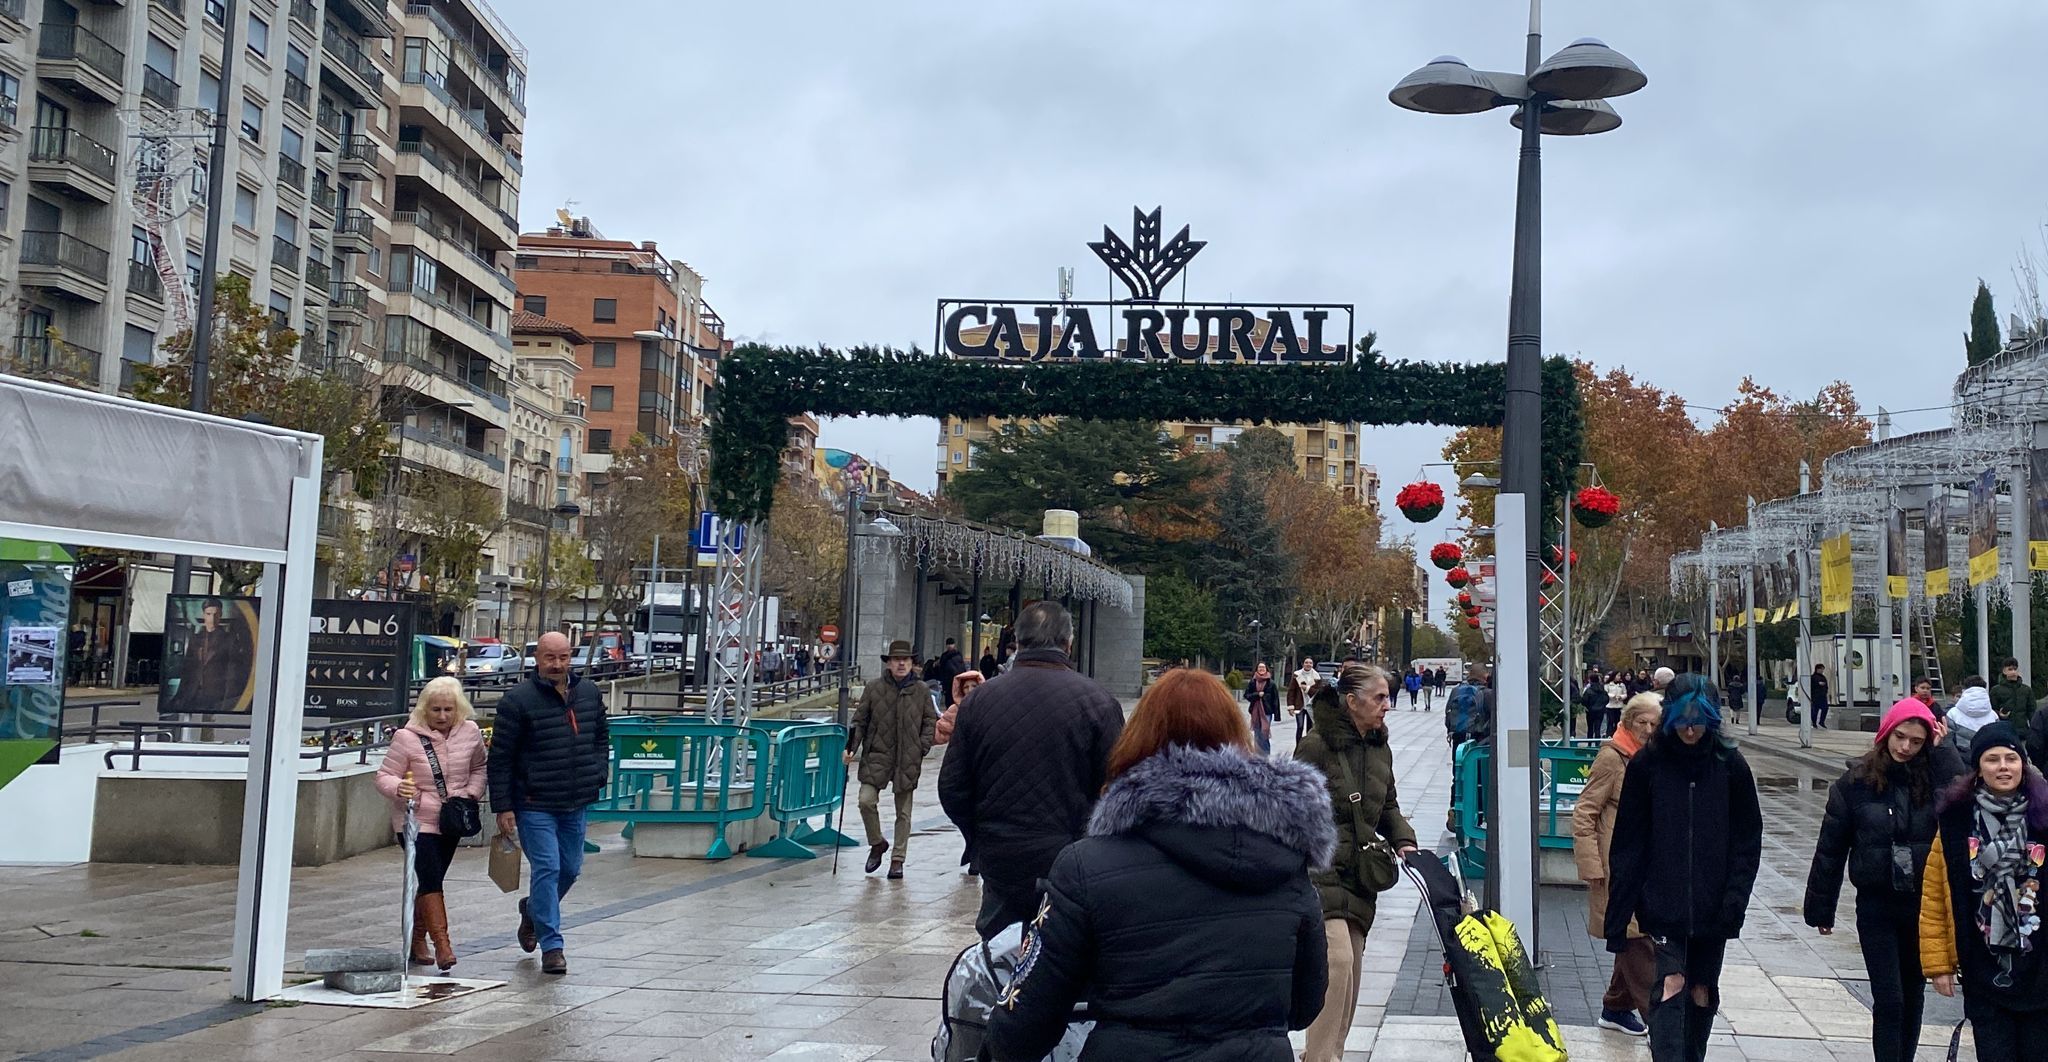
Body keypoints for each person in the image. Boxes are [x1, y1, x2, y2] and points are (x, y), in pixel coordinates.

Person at [983, 669, 1331, 1061]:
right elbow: (1304, 1003)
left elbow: (1030, 1014)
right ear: (1237, 741)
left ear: (1138, 740)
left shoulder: (1086, 866)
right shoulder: (1286, 864)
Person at [939, 601, 1124, 938]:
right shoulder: (1099, 702)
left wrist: (979, 837)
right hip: (1070, 856)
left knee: (1000, 956)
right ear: (1068, 643)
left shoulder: (980, 701)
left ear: (1018, 643)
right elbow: (1117, 789)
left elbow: (952, 786)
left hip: (1000, 855)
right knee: (1064, 956)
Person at [1605, 674, 1763, 1061]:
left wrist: (1734, 901)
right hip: (1662, 904)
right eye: (1682, 719)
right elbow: (1628, 842)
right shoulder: (1647, 765)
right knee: (1671, 983)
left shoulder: (1731, 766)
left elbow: (1747, 840)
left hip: (1714, 906)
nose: (1690, 729)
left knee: (1701, 989)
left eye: (1698, 720)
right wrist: (1620, 916)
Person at [1804, 699, 1942, 1062]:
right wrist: (1821, 908)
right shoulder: (1856, 782)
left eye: (1916, 741)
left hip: (1921, 905)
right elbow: (1831, 847)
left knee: (1913, 994)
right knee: (1890, 998)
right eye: (1900, 737)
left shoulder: (1934, 779)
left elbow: (1963, 791)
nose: (1905, 747)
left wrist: (1946, 752)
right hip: (1876, 904)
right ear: (1886, 734)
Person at [1291, 664, 1416, 1062]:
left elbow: (1388, 806)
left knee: (1352, 978)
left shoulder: (1380, 746)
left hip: (1360, 875)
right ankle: (1319, 1058)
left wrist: (1404, 840)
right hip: (1321, 870)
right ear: (1351, 701)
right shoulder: (1316, 746)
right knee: (1338, 963)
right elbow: (1293, 810)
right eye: (1379, 697)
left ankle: (1332, 1055)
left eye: (1388, 696)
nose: (1387, 705)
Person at [1918, 721, 2048, 1060]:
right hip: (1984, 970)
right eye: (1993, 759)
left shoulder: (2043, 818)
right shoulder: (1955, 822)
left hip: (2041, 973)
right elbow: (1934, 897)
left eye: (2011, 758)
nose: (2003, 767)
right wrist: (1939, 965)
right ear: (1978, 769)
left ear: (2023, 764)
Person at [489, 631, 610, 976]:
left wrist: (598, 771)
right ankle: (552, 947)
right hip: (534, 801)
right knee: (548, 868)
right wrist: (503, 806)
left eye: (563, 657)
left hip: (576, 798)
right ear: (537, 659)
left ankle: (533, 911)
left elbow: (601, 736)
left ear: (571, 656)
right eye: (549, 658)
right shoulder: (517, 701)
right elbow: (501, 757)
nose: (556, 665)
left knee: (570, 868)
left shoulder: (588, 693)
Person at [374, 676, 486, 972]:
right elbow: (383, 776)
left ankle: (416, 940)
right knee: (431, 877)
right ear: (425, 709)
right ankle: (443, 945)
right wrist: (400, 787)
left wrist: (471, 793)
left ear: (458, 708)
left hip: (451, 820)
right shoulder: (406, 737)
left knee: (429, 881)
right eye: (436, 710)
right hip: (414, 821)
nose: (442, 716)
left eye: (448, 709)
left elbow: (479, 767)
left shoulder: (470, 732)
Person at [1573, 694, 1663, 1037]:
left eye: (1654, 724)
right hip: (1615, 866)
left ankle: (1615, 1007)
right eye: (1642, 722)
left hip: (1642, 864)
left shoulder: (1651, 758)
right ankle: (1659, 1019)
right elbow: (1585, 811)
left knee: (1630, 934)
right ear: (1627, 721)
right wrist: (1591, 864)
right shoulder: (1612, 758)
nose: (1648, 729)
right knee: (1636, 939)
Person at [846, 639, 938, 880]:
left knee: (904, 813)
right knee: (866, 800)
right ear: (888, 663)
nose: (900, 664)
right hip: (878, 754)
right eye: (896, 660)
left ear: (911, 663)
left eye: (905, 660)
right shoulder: (874, 688)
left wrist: (922, 746)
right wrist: (851, 747)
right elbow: (859, 721)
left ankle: (898, 859)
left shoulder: (921, 691)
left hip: (907, 756)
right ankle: (877, 843)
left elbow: (930, 721)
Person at [164, 597, 254, 714]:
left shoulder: (229, 639)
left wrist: (228, 699)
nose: (212, 618)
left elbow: (233, 670)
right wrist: (179, 697)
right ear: (204, 615)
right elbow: (188, 668)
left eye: (216, 614)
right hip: (193, 693)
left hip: (216, 695)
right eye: (209, 614)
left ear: (220, 615)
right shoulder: (196, 638)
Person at [1947, 682, 1998, 760]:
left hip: (1960, 756)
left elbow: (1948, 740)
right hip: (1988, 755)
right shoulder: (1993, 715)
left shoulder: (1952, 713)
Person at [1245, 662, 1280, 755]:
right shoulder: (1252, 682)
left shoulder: (1271, 683)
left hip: (1267, 712)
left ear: (1266, 669)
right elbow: (1247, 695)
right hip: (1255, 711)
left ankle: (1266, 754)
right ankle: (1257, 754)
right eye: (1260, 667)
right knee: (1257, 734)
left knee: (1264, 733)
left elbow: (1275, 699)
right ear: (1256, 669)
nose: (1261, 669)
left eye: (1263, 667)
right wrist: (1257, 695)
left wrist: (1277, 715)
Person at [1991, 658, 2032, 723]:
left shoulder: (2026, 690)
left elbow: (2032, 712)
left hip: (2022, 730)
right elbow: (1992, 711)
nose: (2013, 672)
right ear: (2004, 671)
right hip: (2004, 728)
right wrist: (2000, 714)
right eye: (2010, 669)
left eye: (2015, 669)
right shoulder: (1996, 690)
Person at [930, 638, 968, 707]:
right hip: (951, 681)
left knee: (950, 700)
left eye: (951, 644)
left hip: (950, 681)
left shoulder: (947, 656)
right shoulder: (957, 655)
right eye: (949, 644)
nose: (950, 646)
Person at [1604, 672, 1630, 741]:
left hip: (1618, 705)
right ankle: (1609, 735)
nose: (1619, 677)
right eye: (1618, 675)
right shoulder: (1608, 685)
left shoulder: (1622, 685)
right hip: (1610, 705)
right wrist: (1612, 696)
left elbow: (1625, 694)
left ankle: (1617, 736)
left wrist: (1621, 697)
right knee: (1610, 721)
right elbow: (1606, 693)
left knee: (1617, 721)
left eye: (1620, 675)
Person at [1811, 664, 1833, 729]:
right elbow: (1812, 686)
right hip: (1815, 696)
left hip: (1822, 696)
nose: (1822, 671)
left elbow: (1826, 686)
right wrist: (1818, 684)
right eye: (1821, 669)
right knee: (1815, 710)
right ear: (1818, 669)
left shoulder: (1823, 677)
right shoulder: (1813, 677)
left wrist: (1825, 692)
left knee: (1825, 708)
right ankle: (1814, 723)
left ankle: (1821, 721)